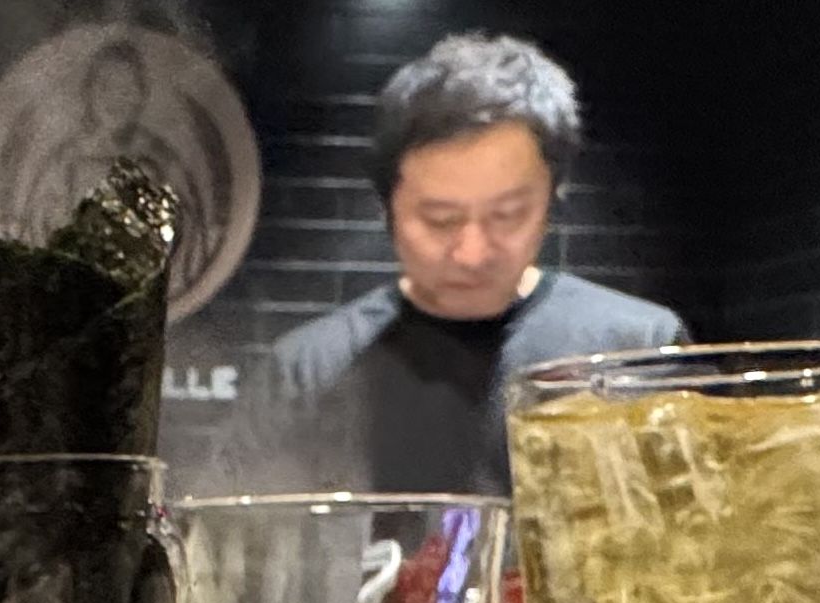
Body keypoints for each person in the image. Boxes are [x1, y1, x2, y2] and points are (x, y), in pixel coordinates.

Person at [235, 33, 687, 498]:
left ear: (554, 197)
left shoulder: (637, 353)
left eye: (508, 215)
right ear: (386, 206)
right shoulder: (306, 371)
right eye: (440, 220)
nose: (473, 253)